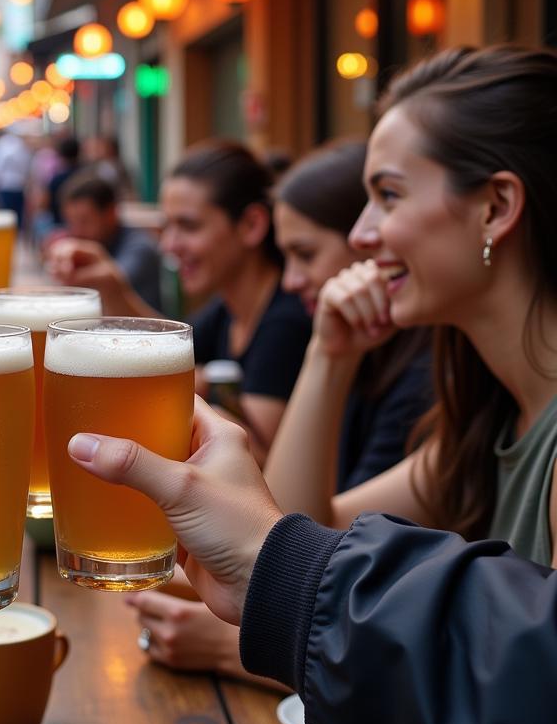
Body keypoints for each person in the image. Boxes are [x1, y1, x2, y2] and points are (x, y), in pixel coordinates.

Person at [69, 398, 557, 724]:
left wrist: (261, 609)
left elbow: (540, 690)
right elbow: (298, 521)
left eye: (305, 272)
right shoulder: (476, 425)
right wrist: (329, 351)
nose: (297, 278)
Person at [128, 140, 434, 675]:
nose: (292, 281)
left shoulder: (420, 383)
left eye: (389, 198)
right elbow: (297, 553)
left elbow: (315, 561)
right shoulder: (434, 396)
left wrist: (240, 651)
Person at [259, 45, 557, 569]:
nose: (361, 234)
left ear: (497, 207)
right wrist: (330, 357)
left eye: (389, 195)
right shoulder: (487, 421)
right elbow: (286, 553)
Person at [49, 139, 310, 461]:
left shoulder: (286, 322)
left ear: (251, 225)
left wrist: (203, 384)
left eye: (188, 226)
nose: (169, 245)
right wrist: (113, 290)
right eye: (166, 226)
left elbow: (252, 456)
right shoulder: (228, 309)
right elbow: (165, 350)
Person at [57, 170, 163, 311]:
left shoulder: (140, 248)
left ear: (111, 213)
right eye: (71, 222)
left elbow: (114, 282)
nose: (76, 231)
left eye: (84, 221)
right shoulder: (101, 242)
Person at [0, 128, 32, 228]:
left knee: (6, 216)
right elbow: (27, 166)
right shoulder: (20, 145)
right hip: (17, 186)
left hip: (5, 186)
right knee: (16, 217)